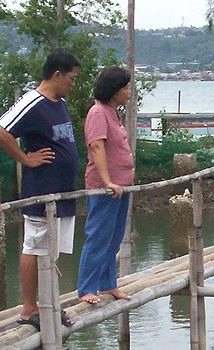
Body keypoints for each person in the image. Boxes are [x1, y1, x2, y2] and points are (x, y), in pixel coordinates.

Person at [0, 49, 80, 329]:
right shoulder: (32, 102)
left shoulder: (59, 102)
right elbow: (2, 129)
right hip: (41, 190)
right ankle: (28, 307)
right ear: (56, 75)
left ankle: (48, 304)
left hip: (61, 192)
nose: (73, 83)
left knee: (51, 251)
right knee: (34, 246)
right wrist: (24, 158)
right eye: (70, 78)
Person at [77, 67, 134, 304]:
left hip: (121, 187)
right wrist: (108, 180)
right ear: (114, 90)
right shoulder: (98, 112)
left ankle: (108, 283)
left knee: (114, 237)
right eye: (126, 88)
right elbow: (97, 147)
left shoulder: (112, 112)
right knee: (99, 236)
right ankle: (86, 288)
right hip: (105, 189)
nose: (129, 92)